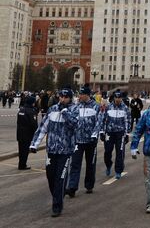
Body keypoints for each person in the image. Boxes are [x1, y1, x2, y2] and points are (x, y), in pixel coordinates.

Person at [30, 88, 79, 217]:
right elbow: (43, 128)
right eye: (61, 97)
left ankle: (57, 206)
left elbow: (75, 125)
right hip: (51, 150)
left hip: (65, 150)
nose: (62, 99)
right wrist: (34, 144)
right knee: (51, 177)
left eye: (65, 97)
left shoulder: (74, 109)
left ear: (70, 98)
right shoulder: (52, 109)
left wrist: (65, 113)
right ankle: (58, 194)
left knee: (60, 178)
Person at [66, 85, 103, 197]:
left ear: (87, 95)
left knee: (90, 164)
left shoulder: (96, 107)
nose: (79, 96)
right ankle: (72, 187)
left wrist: (94, 134)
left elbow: (99, 122)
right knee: (75, 164)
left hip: (90, 141)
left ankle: (89, 185)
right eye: (79, 94)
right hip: (78, 140)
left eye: (82, 94)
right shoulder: (76, 107)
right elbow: (71, 122)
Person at [102, 90, 130, 178]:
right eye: (116, 97)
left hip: (120, 133)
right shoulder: (108, 107)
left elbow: (128, 121)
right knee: (107, 152)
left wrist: (127, 134)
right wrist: (102, 132)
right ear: (114, 98)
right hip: (109, 132)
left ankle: (118, 170)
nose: (118, 99)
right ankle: (108, 164)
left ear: (121, 98)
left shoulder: (125, 108)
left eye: (119, 98)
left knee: (120, 152)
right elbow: (103, 120)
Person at [17, 94, 38, 170]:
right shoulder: (31, 111)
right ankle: (23, 165)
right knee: (25, 151)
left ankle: (20, 164)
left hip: (20, 133)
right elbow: (34, 124)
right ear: (31, 102)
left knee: (21, 150)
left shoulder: (21, 109)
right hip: (27, 134)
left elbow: (18, 121)